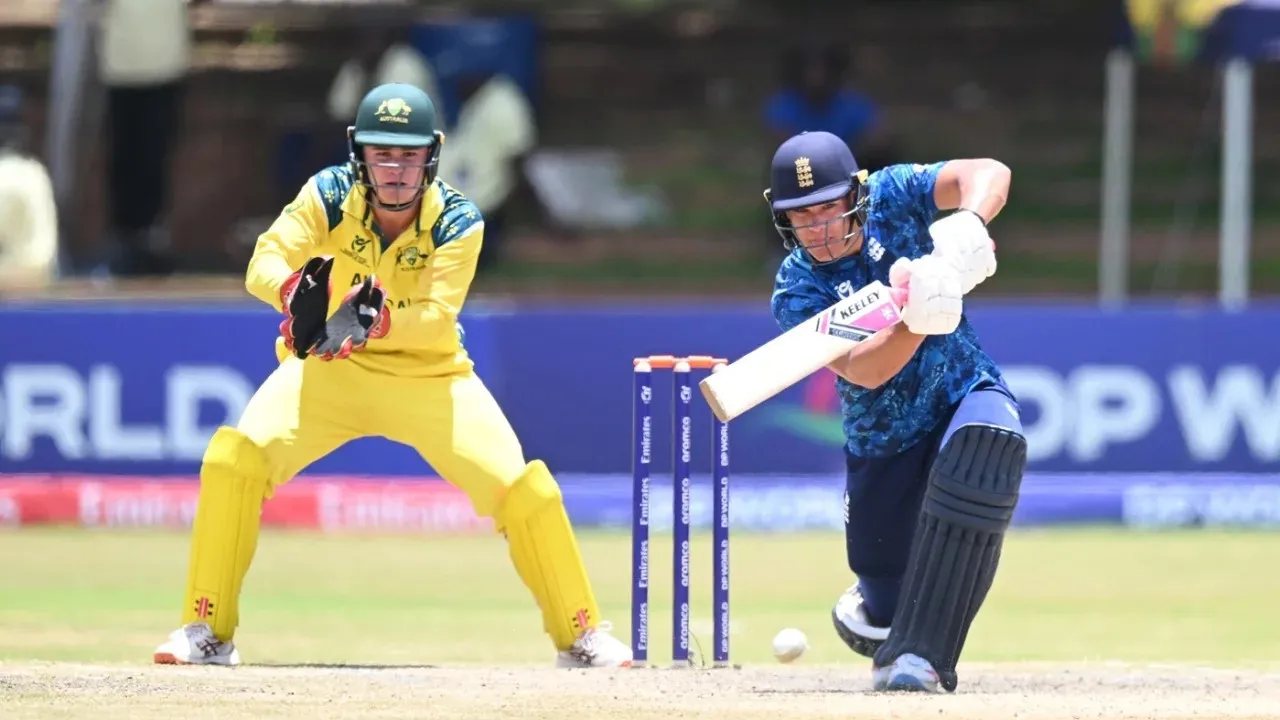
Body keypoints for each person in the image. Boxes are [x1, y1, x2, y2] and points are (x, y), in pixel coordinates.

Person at [152, 83, 632, 669]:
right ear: (359, 151)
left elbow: (435, 320)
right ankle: (207, 629)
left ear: (432, 153)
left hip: (430, 379)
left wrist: (371, 325)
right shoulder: (327, 193)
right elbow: (265, 258)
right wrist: (291, 293)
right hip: (327, 372)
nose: (396, 169)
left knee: (524, 490)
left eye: (408, 155)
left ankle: (580, 636)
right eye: (383, 153)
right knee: (234, 461)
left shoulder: (459, 219)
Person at [766, 130, 1026, 693]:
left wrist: (970, 225)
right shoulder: (797, 287)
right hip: (882, 438)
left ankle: (922, 658)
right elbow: (864, 369)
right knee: (883, 602)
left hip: (962, 390)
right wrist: (918, 312)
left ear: (856, 196)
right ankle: (878, 615)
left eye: (827, 209)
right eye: (800, 216)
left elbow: (989, 170)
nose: (816, 228)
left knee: (985, 450)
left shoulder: (891, 194)